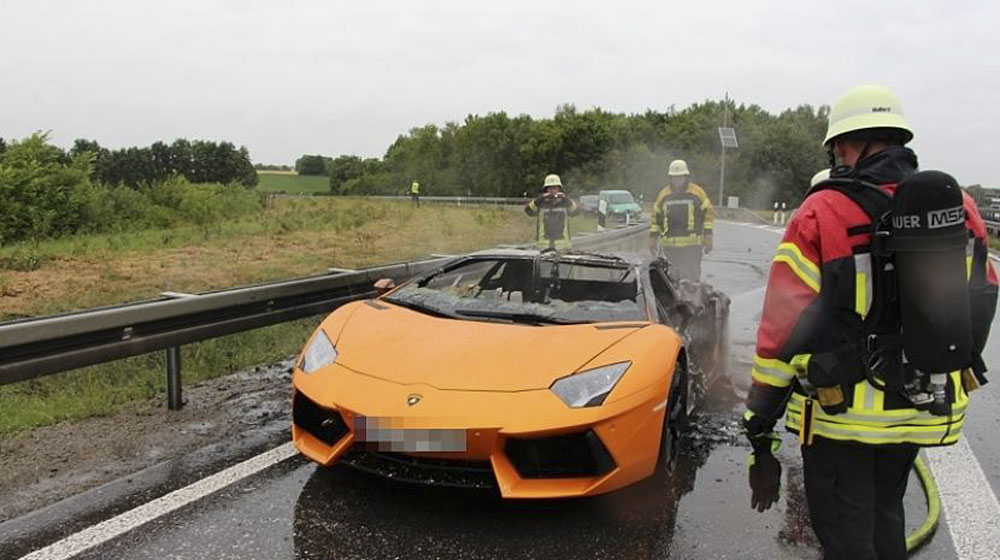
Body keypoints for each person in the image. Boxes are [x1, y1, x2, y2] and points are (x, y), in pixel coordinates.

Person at [742, 84, 998, 560]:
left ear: (851, 144)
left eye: (838, 145)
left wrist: (760, 416)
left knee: (844, 536)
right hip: (919, 408)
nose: (838, 155)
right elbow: (982, 296)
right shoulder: (959, 208)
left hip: (841, 420)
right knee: (886, 514)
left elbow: (781, 326)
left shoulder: (822, 211)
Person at [649, 159, 714, 280]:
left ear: (686, 177)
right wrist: (653, 237)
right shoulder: (664, 195)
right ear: (670, 177)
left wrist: (708, 235)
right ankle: (676, 298)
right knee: (673, 278)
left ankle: (693, 298)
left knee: (691, 277)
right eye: (674, 177)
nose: (677, 180)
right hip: (670, 248)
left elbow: (708, 213)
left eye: (680, 177)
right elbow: (656, 217)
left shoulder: (697, 192)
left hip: (692, 247)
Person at [524, 174, 579, 250]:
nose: (553, 191)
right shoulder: (541, 202)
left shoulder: (564, 202)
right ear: (546, 190)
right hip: (544, 245)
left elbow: (576, 211)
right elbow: (528, 211)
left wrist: (566, 199)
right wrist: (539, 199)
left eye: (555, 188)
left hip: (562, 245)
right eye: (550, 189)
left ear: (559, 189)